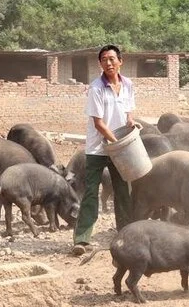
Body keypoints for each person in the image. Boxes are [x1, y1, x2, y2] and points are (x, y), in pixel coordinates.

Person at [72, 44, 136, 256]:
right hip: (98, 149)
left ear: (120, 61)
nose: (108, 63)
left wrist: (131, 125)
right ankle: (82, 238)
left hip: (120, 148)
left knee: (123, 191)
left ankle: (126, 235)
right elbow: (98, 123)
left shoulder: (128, 85)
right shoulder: (96, 88)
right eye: (104, 60)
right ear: (100, 64)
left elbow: (128, 114)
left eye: (112, 59)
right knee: (91, 192)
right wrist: (116, 142)